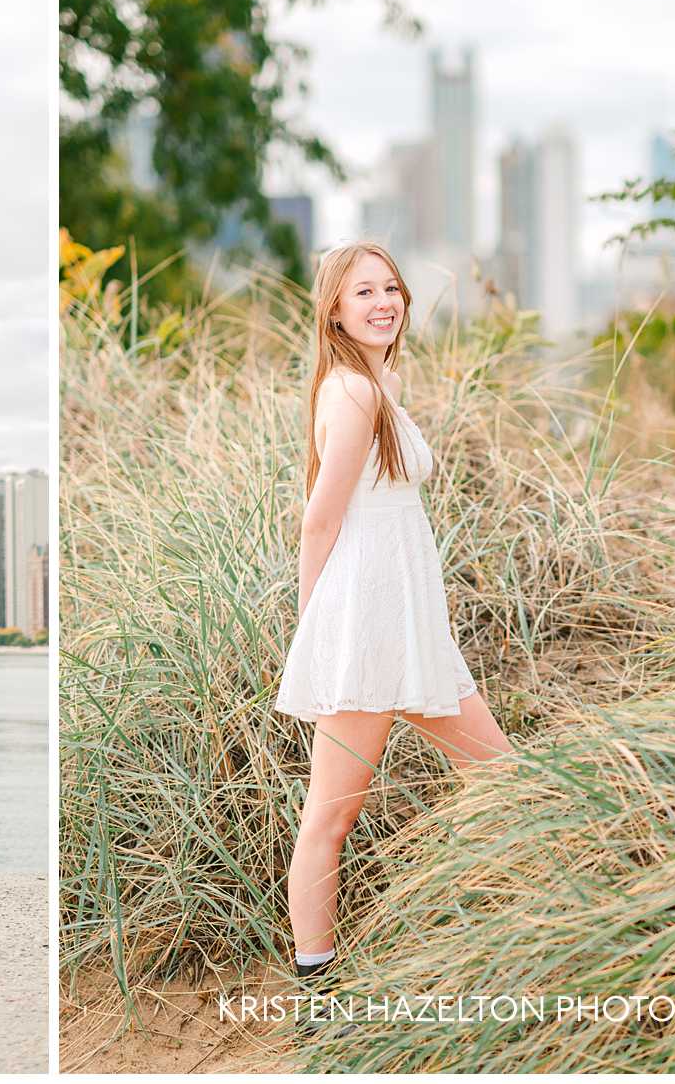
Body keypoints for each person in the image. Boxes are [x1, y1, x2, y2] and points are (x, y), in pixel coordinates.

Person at [275, 241, 513, 985]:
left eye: (390, 289)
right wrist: (319, 633)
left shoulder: (378, 384)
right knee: (330, 818)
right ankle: (316, 983)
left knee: (508, 778)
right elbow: (319, 521)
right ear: (335, 311)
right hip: (366, 629)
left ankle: (511, 939)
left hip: (410, 627)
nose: (382, 303)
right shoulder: (352, 392)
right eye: (362, 293)